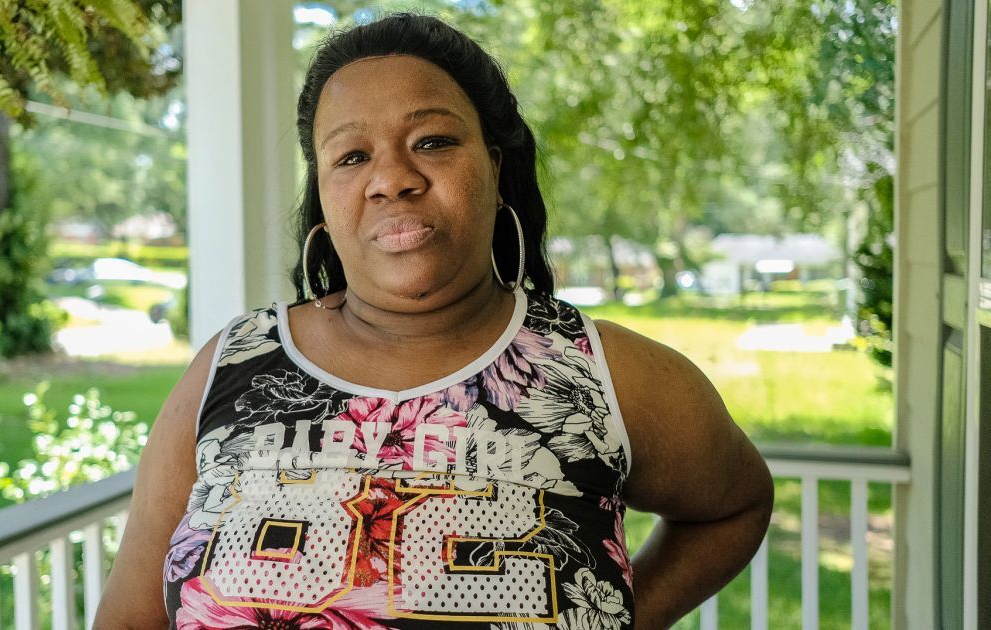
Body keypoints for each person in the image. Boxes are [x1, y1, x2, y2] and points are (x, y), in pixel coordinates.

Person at [95, 13, 772, 630]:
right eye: (351, 156)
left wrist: (619, 615)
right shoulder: (231, 365)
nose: (392, 178)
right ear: (323, 197)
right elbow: (129, 618)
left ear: (495, 168)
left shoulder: (604, 374)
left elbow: (734, 507)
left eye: (433, 141)